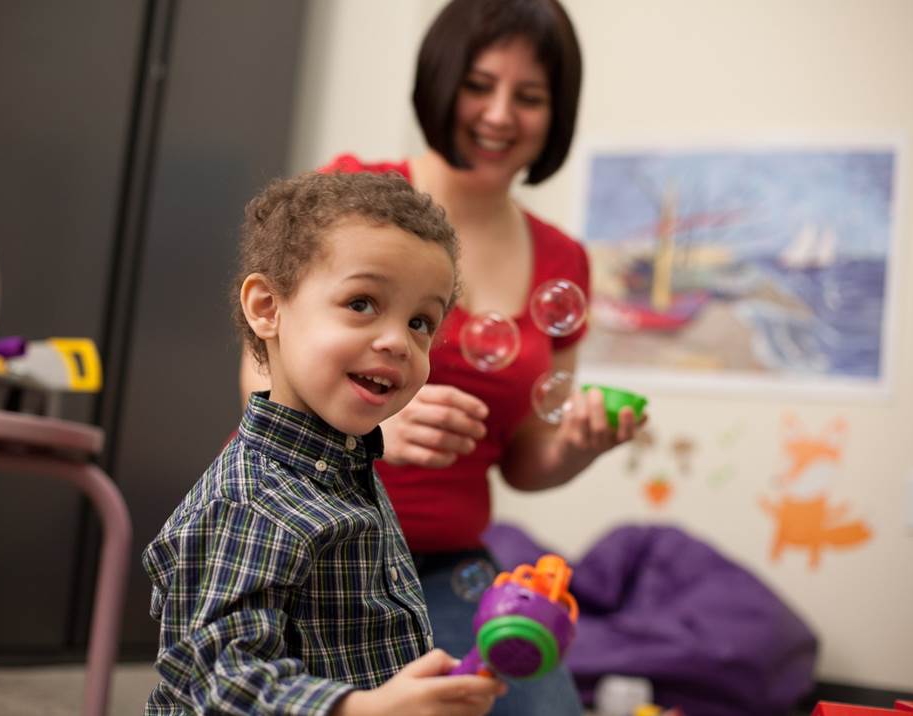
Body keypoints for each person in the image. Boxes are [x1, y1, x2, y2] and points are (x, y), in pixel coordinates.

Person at [243, 1, 648, 713]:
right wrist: (370, 432)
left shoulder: (565, 260)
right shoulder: (354, 194)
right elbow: (259, 373)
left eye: (529, 97)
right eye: (478, 85)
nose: (499, 115)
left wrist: (578, 447)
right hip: (314, 551)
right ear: (441, 81)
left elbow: (525, 458)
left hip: (447, 567)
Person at [144, 171, 507, 716]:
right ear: (268, 308)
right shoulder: (248, 501)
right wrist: (359, 710)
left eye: (420, 322)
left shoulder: (346, 468)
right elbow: (215, 683)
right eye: (362, 303)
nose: (397, 342)